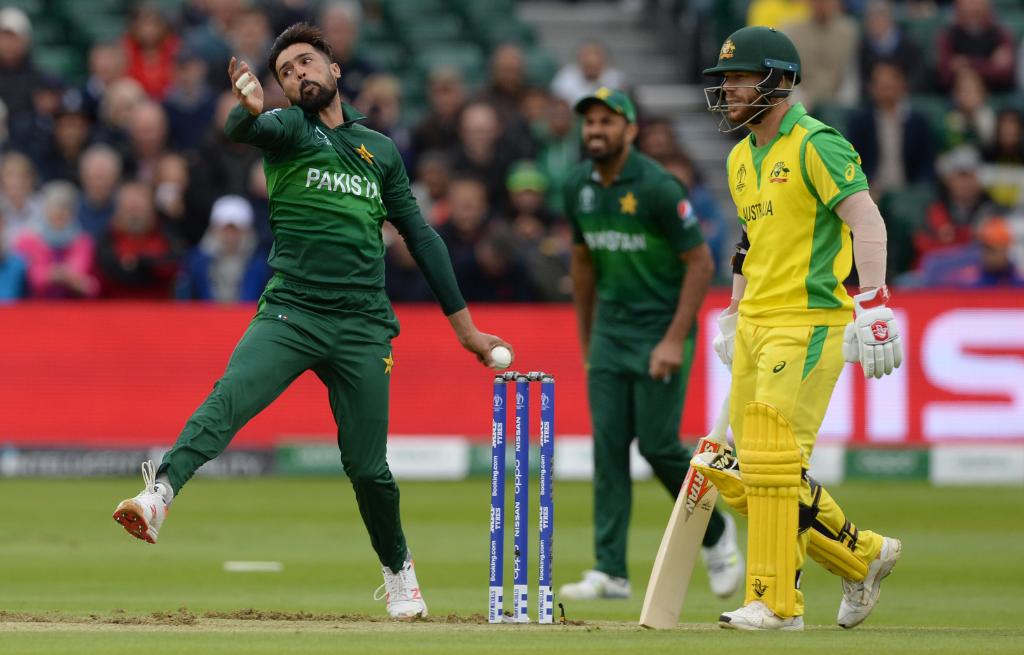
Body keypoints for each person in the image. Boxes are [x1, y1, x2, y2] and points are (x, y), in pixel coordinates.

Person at [110, 22, 512, 620]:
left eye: (305, 63)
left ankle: (399, 571)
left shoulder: (380, 150)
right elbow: (239, 128)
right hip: (291, 310)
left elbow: (422, 238)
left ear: (335, 69)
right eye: (286, 73)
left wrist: (468, 332)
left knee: (368, 468)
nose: (298, 75)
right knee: (229, 400)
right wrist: (247, 110)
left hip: (362, 325)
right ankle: (160, 493)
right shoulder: (286, 129)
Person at [700, 26, 904, 631]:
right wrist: (734, 312)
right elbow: (748, 244)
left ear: (779, 82)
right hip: (758, 322)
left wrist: (873, 303)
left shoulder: (818, 144)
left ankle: (777, 603)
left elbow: (867, 220)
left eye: (741, 78)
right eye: (726, 80)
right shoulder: (742, 158)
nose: (730, 89)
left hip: (809, 320)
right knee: (736, 473)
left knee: (771, 465)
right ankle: (862, 555)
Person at [559, 87, 742, 602]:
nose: (595, 130)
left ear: (631, 130)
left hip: (660, 331)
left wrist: (672, 340)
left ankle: (717, 533)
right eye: (589, 122)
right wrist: (586, 339)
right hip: (611, 334)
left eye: (607, 122)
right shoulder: (576, 186)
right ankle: (610, 571)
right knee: (609, 446)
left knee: (659, 445)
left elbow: (702, 264)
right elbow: (581, 263)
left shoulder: (660, 187)